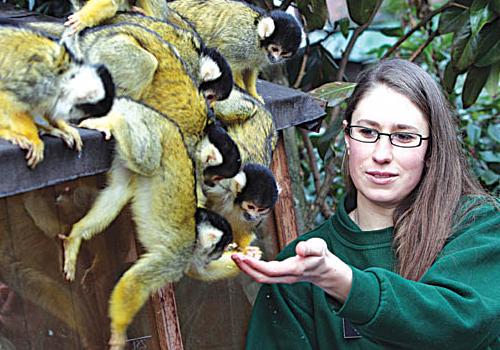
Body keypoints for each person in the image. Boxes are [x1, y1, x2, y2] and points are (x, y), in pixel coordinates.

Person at [232, 59, 500, 349]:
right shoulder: (301, 267)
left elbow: (461, 324)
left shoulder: (476, 228)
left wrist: (346, 284)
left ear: (431, 146)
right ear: (347, 137)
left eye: (404, 136)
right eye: (367, 132)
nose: (381, 153)